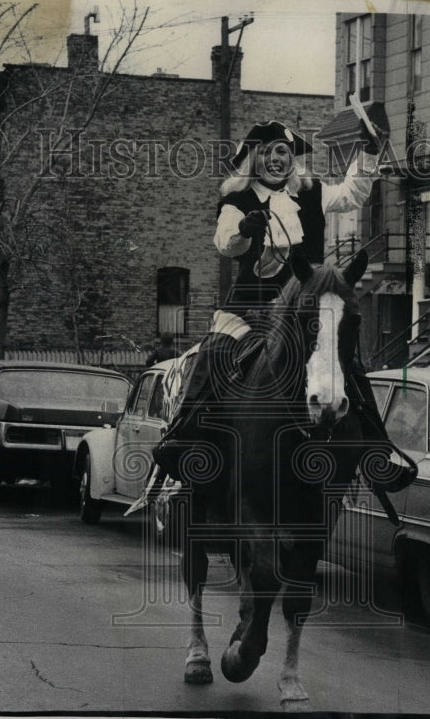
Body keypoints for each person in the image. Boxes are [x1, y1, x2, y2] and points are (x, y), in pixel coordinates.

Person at [152, 118, 415, 497]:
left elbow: (352, 195)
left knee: (348, 364)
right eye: (269, 153)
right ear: (255, 159)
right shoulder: (236, 199)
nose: (276, 159)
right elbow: (225, 242)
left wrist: (369, 152)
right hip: (249, 308)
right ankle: (183, 439)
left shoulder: (310, 193)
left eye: (283, 152)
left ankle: (376, 453)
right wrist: (244, 227)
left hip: (302, 308)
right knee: (215, 351)